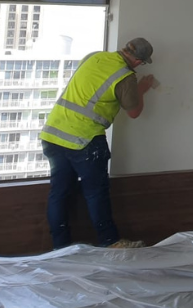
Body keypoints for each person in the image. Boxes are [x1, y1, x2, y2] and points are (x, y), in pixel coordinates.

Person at [40, 38, 157, 249]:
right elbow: (134, 112)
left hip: (53, 133)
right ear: (138, 61)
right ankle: (110, 242)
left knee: (59, 191)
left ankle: (60, 247)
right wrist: (142, 89)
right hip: (84, 139)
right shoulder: (126, 76)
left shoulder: (94, 56)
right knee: (96, 192)